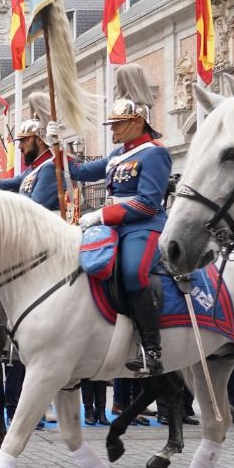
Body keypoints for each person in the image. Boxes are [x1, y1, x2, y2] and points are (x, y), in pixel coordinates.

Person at [53, 95, 171, 375]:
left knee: (133, 273)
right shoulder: (117, 155)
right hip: (112, 227)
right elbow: (79, 171)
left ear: (138, 122)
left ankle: (152, 350)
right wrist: (56, 146)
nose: (112, 129)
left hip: (144, 225)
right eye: (112, 124)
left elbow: (147, 203)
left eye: (118, 124)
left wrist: (102, 215)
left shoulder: (154, 153)